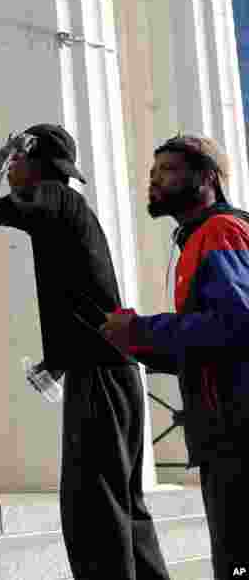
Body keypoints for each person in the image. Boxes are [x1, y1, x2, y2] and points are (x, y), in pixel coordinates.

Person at [0, 124, 170, 580]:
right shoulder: (65, 206)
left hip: (99, 374)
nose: (13, 168)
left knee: (93, 506)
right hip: (113, 373)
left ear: (35, 164)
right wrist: (58, 358)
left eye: (20, 160)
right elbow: (78, 290)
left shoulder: (52, 195)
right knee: (122, 503)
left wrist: (0, 162)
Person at [101, 135, 249, 580]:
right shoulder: (200, 237)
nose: (153, 178)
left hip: (239, 431)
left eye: (166, 169)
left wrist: (143, 329)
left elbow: (238, 325)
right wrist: (140, 344)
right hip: (225, 429)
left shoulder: (220, 231)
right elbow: (212, 340)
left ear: (207, 178)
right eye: (153, 170)